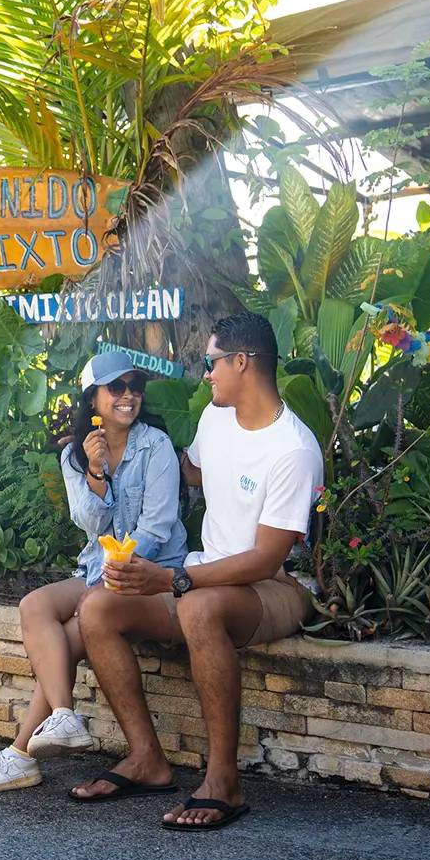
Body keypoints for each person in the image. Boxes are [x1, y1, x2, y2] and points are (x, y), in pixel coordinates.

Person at [69, 310, 323, 831]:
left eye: (211, 363)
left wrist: (172, 579)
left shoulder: (293, 449)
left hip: (270, 586)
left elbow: (265, 559)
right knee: (97, 607)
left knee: (200, 606)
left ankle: (223, 779)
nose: (205, 374)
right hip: (205, 574)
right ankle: (146, 758)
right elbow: (194, 471)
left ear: (241, 362)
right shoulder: (215, 417)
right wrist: (126, 456)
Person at [0, 346, 187, 793]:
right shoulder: (74, 458)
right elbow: (87, 524)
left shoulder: (155, 445)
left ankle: (21, 752)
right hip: (98, 568)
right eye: (116, 387)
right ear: (93, 399)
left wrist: (112, 574)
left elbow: (158, 527)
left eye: (135, 387)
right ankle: (63, 716)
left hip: (152, 569)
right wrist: (96, 472)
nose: (129, 395)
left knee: (75, 629)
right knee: (34, 605)